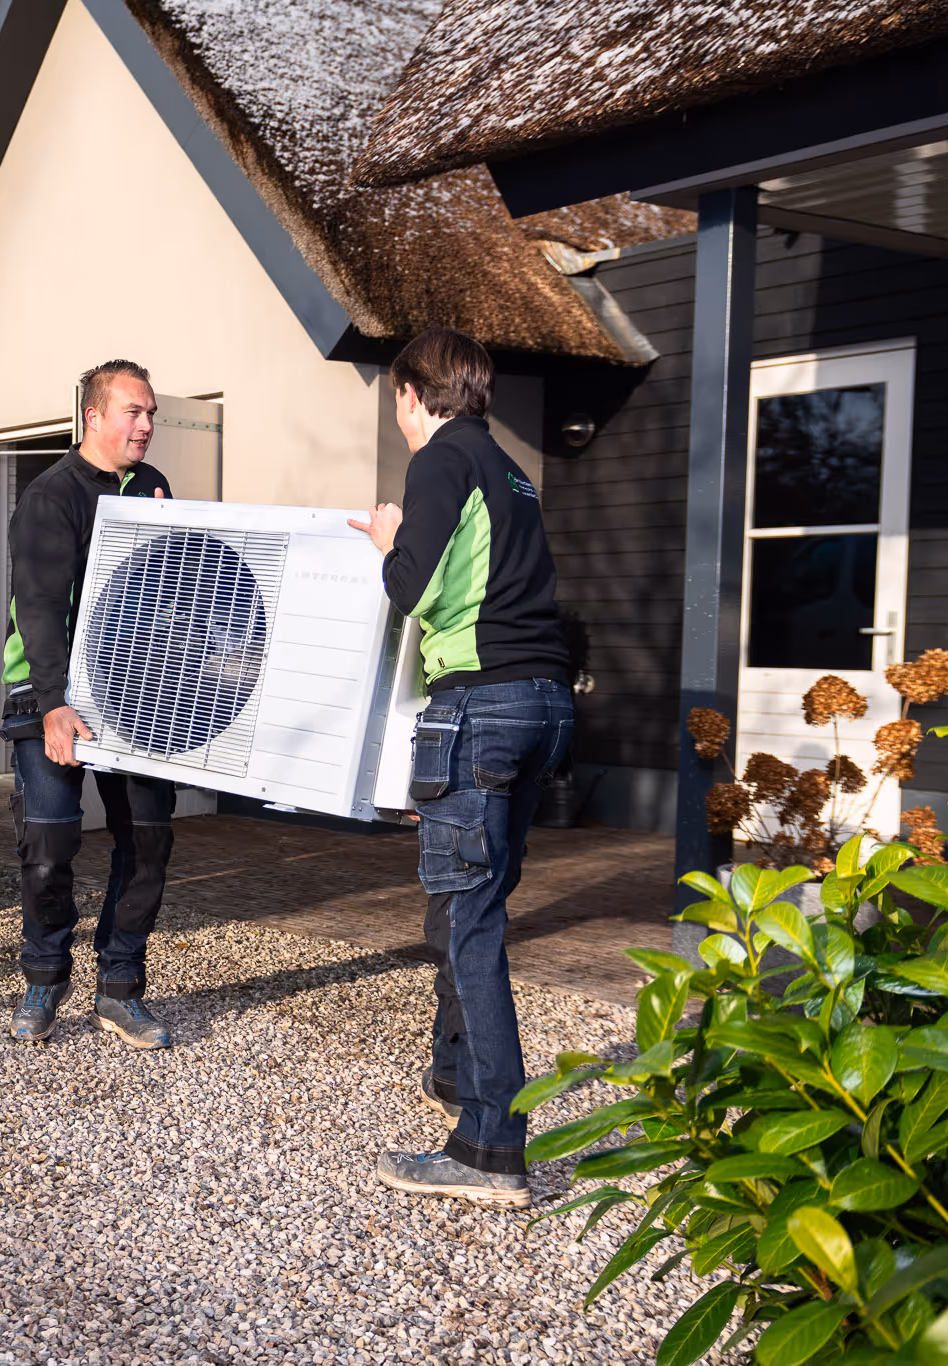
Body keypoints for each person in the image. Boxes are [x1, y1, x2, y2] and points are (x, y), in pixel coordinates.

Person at [348, 329, 573, 1209]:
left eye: (397, 398)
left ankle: (489, 1150)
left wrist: (387, 539)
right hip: (545, 704)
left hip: (481, 707)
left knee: (467, 919)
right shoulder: (512, 469)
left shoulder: (441, 460)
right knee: (475, 904)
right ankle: (459, 1081)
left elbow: (413, 586)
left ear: (414, 394)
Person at [2, 359, 177, 1050]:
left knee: (150, 839)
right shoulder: (52, 497)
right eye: (135, 412)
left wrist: (176, 539)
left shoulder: (154, 487)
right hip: (52, 692)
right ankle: (45, 976)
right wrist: (52, 704)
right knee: (48, 845)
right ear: (94, 417)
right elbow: (39, 607)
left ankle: (120, 988)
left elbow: (172, 589)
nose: (147, 424)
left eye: (152, 413)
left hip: (131, 691)